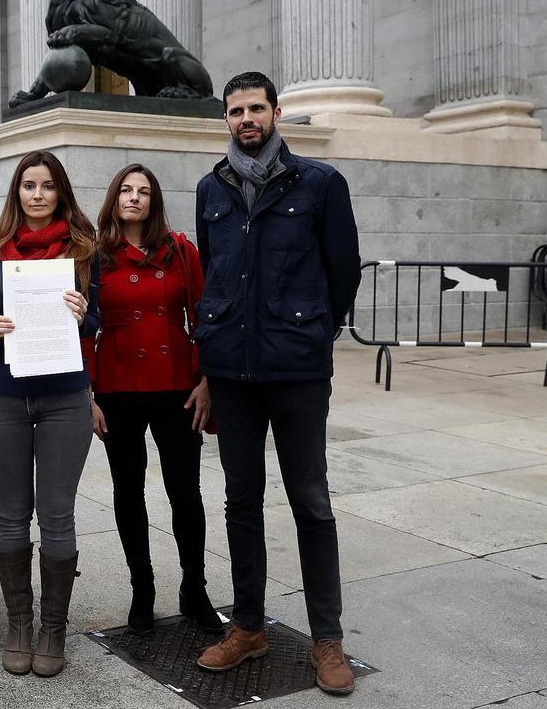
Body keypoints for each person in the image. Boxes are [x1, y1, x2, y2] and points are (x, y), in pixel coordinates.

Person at [193, 72, 362, 696]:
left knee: (310, 502)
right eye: (236, 111)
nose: (246, 119)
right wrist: (210, 364)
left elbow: (343, 271)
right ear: (227, 119)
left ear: (276, 112)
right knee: (241, 503)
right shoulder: (212, 188)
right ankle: (249, 626)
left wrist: (315, 337)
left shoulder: (319, 184)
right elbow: (213, 276)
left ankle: (327, 638)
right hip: (233, 374)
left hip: (296, 371)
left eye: (256, 109)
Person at [0, 149, 99, 678]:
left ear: (60, 191)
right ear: (17, 192)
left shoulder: (86, 251)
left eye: (48, 185)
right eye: (29, 185)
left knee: (57, 514)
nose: (38, 194)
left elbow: (100, 328)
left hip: (65, 398)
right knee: (10, 514)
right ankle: (19, 623)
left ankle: (53, 628)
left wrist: (83, 316)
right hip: (3, 394)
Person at [87, 163, 223, 636]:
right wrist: (88, 392)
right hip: (118, 386)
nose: (134, 198)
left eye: (144, 192)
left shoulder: (181, 250)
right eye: (125, 189)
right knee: (129, 491)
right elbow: (83, 328)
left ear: (154, 201)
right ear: (114, 197)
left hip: (176, 385)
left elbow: (204, 316)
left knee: (186, 492)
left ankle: (194, 587)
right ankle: (141, 588)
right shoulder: (96, 255)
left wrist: (207, 379)